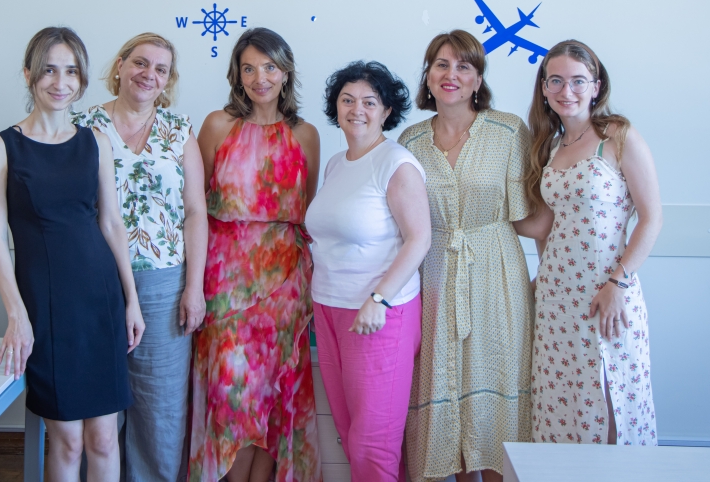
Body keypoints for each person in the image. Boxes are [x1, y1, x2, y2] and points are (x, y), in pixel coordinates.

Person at [0, 27, 145, 482]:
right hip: (46, 306)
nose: (61, 82)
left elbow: (111, 225)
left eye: (71, 71)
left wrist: (131, 301)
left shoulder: (96, 142)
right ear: (29, 74)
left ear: (82, 79)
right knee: (68, 439)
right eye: (49, 70)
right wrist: (17, 315)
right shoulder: (0, 147)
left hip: (100, 300)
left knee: (105, 438)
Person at [399, 30, 540, 482]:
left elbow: (527, 216)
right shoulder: (410, 141)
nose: (451, 74)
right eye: (441, 64)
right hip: (433, 273)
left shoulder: (508, 131)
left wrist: (560, 264)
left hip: (496, 272)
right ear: (428, 76)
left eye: (464, 66)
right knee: (442, 378)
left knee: (495, 379)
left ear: (478, 79)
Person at [73, 33, 208, 482]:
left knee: (160, 407)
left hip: (164, 285)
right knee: (98, 406)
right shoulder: (82, 126)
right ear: (120, 65)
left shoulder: (179, 130)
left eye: (161, 69)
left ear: (168, 80)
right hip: (95, 281)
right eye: (140, 63)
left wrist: (194, 287)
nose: (149, 74)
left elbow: (195, 212)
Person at [189, 27, 321, 482]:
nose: (259, 78)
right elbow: (195, 206)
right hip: (224, 284)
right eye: (248, 68)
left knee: (275, 396)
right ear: (237, 75)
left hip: (285, 285)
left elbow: (306, 210)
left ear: (285, 72)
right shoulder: (217, 125)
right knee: (231, 396)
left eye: (269, 67)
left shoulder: (305, 134)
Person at [520, 39, 661, 445]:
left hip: (606, 294)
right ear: (544, 88)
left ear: (596, 86)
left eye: (578, 81)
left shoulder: (617, 137)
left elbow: (652, 219)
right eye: (556, 81)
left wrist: (619, 283)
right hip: (556, 299)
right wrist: (480, 215)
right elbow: (544, 226)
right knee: (563, 407)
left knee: (612, 404)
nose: (567, 91)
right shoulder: (549, 147)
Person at [305, 61, 431, 482]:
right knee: (348, 432)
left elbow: (419, 239)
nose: (356, 109)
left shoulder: (396, 163)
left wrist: (380, 299)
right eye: (347, 100)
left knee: (371, 443)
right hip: (329, 309)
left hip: (379, 315)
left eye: (369, 102)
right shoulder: (336, 163)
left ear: (387, 111)